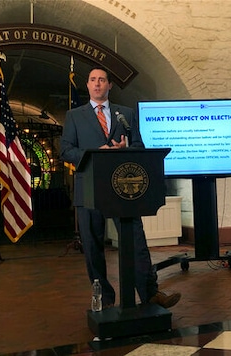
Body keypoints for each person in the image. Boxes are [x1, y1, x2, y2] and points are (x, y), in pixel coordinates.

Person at [60, 66, 181, 309]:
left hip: (124, 191)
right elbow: (66, 150)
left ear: (109, 85)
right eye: (93, 80)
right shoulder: (75, 116)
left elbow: (139, 147)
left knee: (136, 240)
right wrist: (96, 153)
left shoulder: (124, 113)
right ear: (88, 85)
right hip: (89, 191)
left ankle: (150, 293)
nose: (97, 84)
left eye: (102, 80)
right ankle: (104, 298)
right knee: (93, 247)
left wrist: (124, 150)